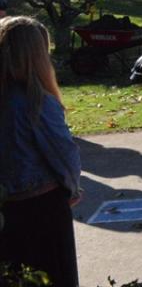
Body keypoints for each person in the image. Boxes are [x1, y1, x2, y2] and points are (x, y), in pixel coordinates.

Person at [0, 16, 81, 287]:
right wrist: (72, 188)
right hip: (42, 206)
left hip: (7, 207)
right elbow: (63, 153)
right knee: (55, 276)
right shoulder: (36, 102)